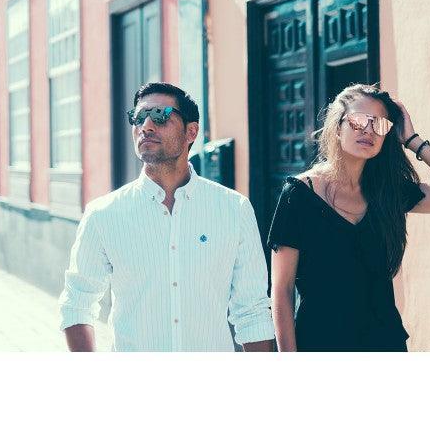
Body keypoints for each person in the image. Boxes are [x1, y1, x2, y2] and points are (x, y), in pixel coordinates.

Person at [59, 82, 274, 352]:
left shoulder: (234, 209)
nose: (146, 126)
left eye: (160, 115)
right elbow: (76, 303)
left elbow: (252, 311)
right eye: (139, 117)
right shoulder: (103, 214)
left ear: (191, 132)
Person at [269, 83, 430, 352]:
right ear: (337, 127)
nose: (368, 130)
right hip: (320, 344)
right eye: (358, 121)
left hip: (385, 343)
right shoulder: (299, 195)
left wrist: (414, 141)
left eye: (379, 124)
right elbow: (282, 290)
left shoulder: (389, 193)